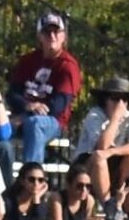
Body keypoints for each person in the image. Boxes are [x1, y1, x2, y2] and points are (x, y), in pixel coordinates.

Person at [7, 14, 80, 165]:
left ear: (63, 36)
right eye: (47, 32)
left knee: (35, 124)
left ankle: (32, 174)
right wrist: (27, 106)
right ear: (40, 36)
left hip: (52, 121)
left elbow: (58, 105)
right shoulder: (28, 61)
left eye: (56, 32)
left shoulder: (68, 65)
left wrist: (26, 115)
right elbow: (12, 94)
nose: (52, 36)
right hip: (22, 115)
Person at [75, 78, 129, 201]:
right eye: (115, 98)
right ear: (105, 100)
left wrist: (112, 152)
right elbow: (102, 146)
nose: (120, 104)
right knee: (99, 156)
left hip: (115, 163)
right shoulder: (94, 115)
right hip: (88, 164)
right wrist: (116, 118)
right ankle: (106, 205)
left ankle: (124, 201)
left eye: (125, 99)